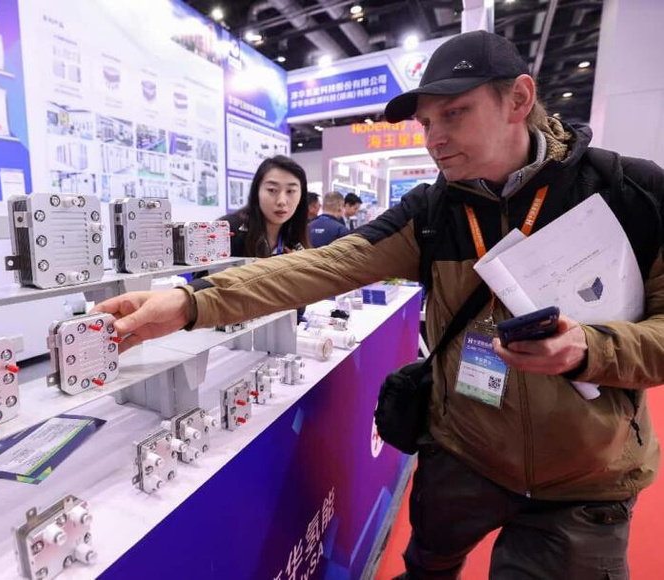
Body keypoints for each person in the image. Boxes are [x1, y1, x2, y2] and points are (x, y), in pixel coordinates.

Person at [94, 30, 664, 580]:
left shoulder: (629, 194)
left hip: (584, 480)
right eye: (425, 122)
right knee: (427, 565)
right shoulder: (432, 213)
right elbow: (324, 265)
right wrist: (191, 302)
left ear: (518, 98)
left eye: (454, 113)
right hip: (461, 453)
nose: (433, 137)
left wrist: (589, 348)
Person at [218, 155, 310, 258]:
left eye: (290, 191)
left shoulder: (296, 239)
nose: (281, 201)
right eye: (272, 190)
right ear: (257, 191)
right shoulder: (228, 229)